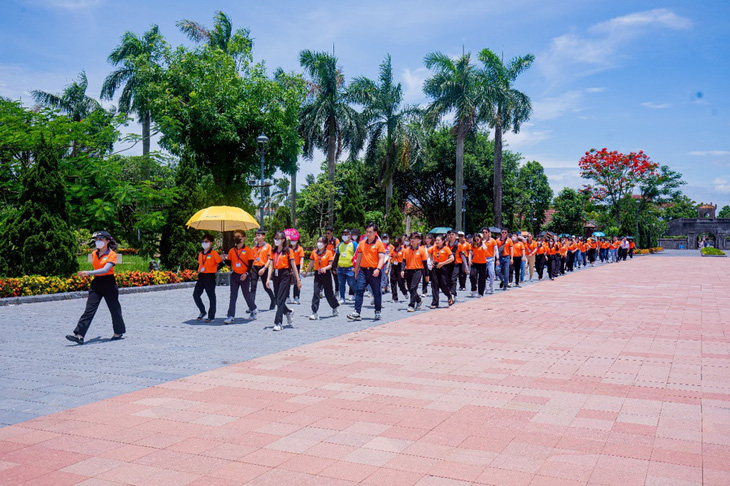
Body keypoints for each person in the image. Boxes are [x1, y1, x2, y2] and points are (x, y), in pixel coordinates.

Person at [66, 231, 126, 344]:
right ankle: (79, 334)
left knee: (114, 309)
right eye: (97, 239)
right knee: (89, 309)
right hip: (96, 283)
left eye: (101, 239)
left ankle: (119, 331)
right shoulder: (94, 253)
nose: (98, 242)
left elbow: (105, 270)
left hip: (109, 283)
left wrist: (88, 273)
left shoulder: (111, 254)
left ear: (107, 241)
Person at [348, 222, 386, 321]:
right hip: (363, 271)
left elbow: (382, 258)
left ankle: (377, 312)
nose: (368, 234)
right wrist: (356, 271)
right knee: (359, 290)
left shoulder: (379, 244)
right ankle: (357, 312)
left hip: (374, 271)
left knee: (376, 292)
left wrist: (378, 269)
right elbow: (359, 258)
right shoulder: (362, 244)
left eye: (370, 232)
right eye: (367, 232)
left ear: (375, 233)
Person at [264, 231, 301, 331]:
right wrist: (268, 279)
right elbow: (271, 265)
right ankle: (288, 312)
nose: (276, 240)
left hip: (285, 274)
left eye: (278, 238)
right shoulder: (273, 251)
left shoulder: (288, 251)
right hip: (276, 275)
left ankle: (278, 322)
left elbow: (293, 266)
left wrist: (298, 280)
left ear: (283, 240)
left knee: (280, 299)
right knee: (277, 298)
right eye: (275, 238)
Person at [224, 229, 257, 324]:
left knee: (246, 294)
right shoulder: (231, 250)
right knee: (233, 296)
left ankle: (253, 309)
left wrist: (246, 274)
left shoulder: (248, 250)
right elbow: (229, 263)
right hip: (235, 275)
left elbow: (250, 264)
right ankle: (230, 316)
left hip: (244, 275)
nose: (237, 238)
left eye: (239, 236)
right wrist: (224, 259)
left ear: (244, 238)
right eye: (236, 237)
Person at [303, 236, 339, 320]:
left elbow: (330, 265)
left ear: (325, 244)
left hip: (326, 274)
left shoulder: (329, 253)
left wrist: (325, 268)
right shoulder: (314, 252)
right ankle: (314, 312)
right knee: (316, 292)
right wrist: (306, 272)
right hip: (317, 274)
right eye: (318, 241)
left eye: (321, 242)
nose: (319, 244)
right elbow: (311, 263)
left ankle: (335, 306)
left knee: (328, 293)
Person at [192, 233, 222, 323]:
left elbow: (221, 263)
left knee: (211, 296)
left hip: (210, 276)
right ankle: (202, 311)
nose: (204, 243)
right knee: (196, 295)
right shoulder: (201, 253)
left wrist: (214, 269)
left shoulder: (213, 253)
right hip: (201, 276)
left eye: (206, 241)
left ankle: (211, 316)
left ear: (211, 243)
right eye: (203, 241)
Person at [401, 232, 428, 312]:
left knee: (413, 287)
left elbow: (425, 263)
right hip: (409, 270)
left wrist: (426, 275)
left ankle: (411, 305)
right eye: (411, 239)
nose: (412, 240)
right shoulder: (406, 250)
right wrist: (402, 270)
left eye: (414, 239)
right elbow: (403, 261)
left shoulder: (422, 250)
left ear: (418, 240)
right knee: (410, 288)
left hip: (418, 271)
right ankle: (419, 300)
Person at [250, 230, 276, 310]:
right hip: (255, 267)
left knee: (266, 287)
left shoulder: (268, 246)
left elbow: (270, 259)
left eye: (259, 235)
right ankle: (252, 306)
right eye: (256, 235)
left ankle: (273, 300)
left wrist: (264, 268)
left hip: (263, 267)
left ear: (263, 236)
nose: (257, 237)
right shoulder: (254, 248)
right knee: (253, 287)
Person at [430, 235, 454, 308]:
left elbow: (452, 258)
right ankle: (435, 302)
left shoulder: (446, 249)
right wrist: (431, 261)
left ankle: (449, 296)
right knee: (434, 285)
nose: (437, 242)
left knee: (443, 285)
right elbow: (429, 254)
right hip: (435, 267)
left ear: (443, 241)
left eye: (438, 240)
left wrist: (443, 263)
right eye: (436, 240)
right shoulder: (434, 248)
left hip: (443, 267)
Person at [336, 229, 356, 303]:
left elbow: (357, 256)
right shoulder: (340, 244)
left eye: (346, 234)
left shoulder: (353, 244)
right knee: (341, 283)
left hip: (350, 267)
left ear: (350, 235)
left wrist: (355, 267)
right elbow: (337, 255)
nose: (344, 235)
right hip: (341, 267)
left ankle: (357, 294)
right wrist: (336, 266)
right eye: (343, 234)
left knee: (351, 283)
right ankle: (342, 298)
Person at [388, 237, 408, 303]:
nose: (395, 243)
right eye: (395, 242)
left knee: (400, 282)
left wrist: (405, 267)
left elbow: (405, 260)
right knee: (393, 282)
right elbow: (390, 257)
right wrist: (387, 267)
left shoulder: (403, 250)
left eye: (397, 242)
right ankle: (394, 297)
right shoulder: (392, 250)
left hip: (400, 266)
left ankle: (404, 292)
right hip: (394, 266)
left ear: (400, 243)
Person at [289, 235, 305, 304]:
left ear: (297, 241)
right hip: (289, 266)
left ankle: (296, 297)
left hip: (297, 266)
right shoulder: (288, 248)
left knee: (297, 282)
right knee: (287, 282)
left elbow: (302, 258)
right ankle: (287, 297)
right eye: (292, 240)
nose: (293, 242)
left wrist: (301, 268)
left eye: (294, 240)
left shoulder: (300, 249)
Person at [324, 226, 340, 294]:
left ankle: (337, 290)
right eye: (326, 233)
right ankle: (323, 290)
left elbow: (337, 251)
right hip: (326, 260)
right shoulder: (325, 240)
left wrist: (333, 259)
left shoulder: (335, 240)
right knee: (324, 276)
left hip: (333, 260)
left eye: (328, 233)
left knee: (335, 276)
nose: (327, 235)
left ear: (331, 233)